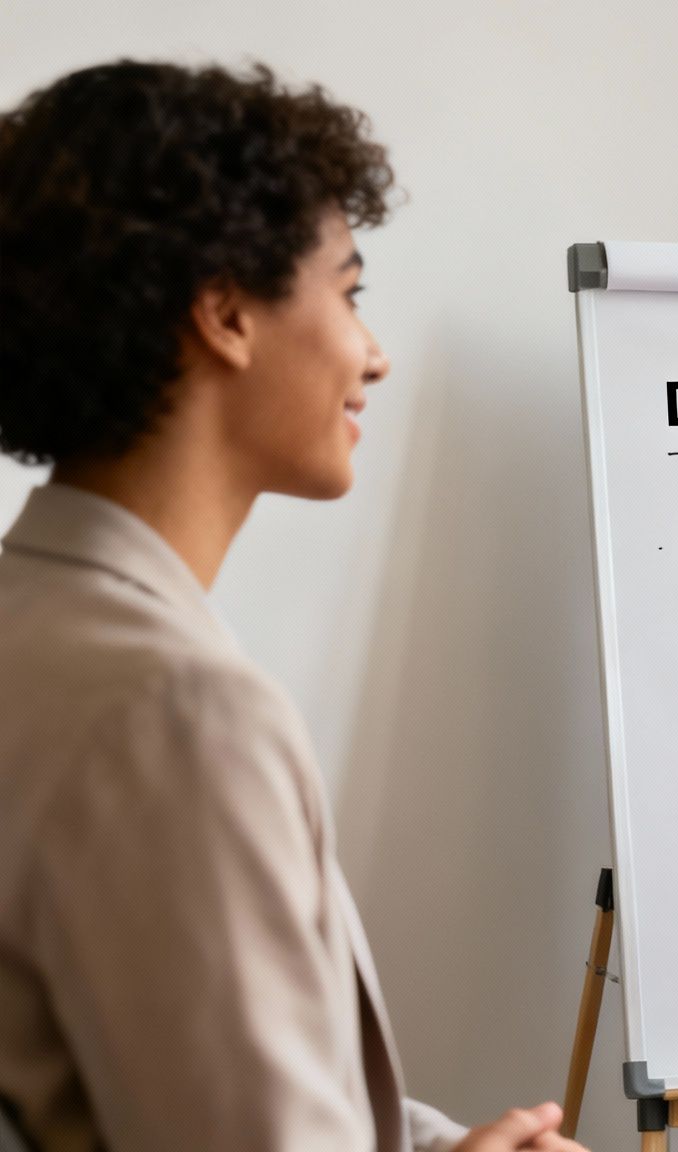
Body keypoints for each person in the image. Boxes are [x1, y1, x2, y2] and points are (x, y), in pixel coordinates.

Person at [0, 61, 586, 1152]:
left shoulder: (33, 629)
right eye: (350, 291)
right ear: (224, 312)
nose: (376, 352)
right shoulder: (173, 713)